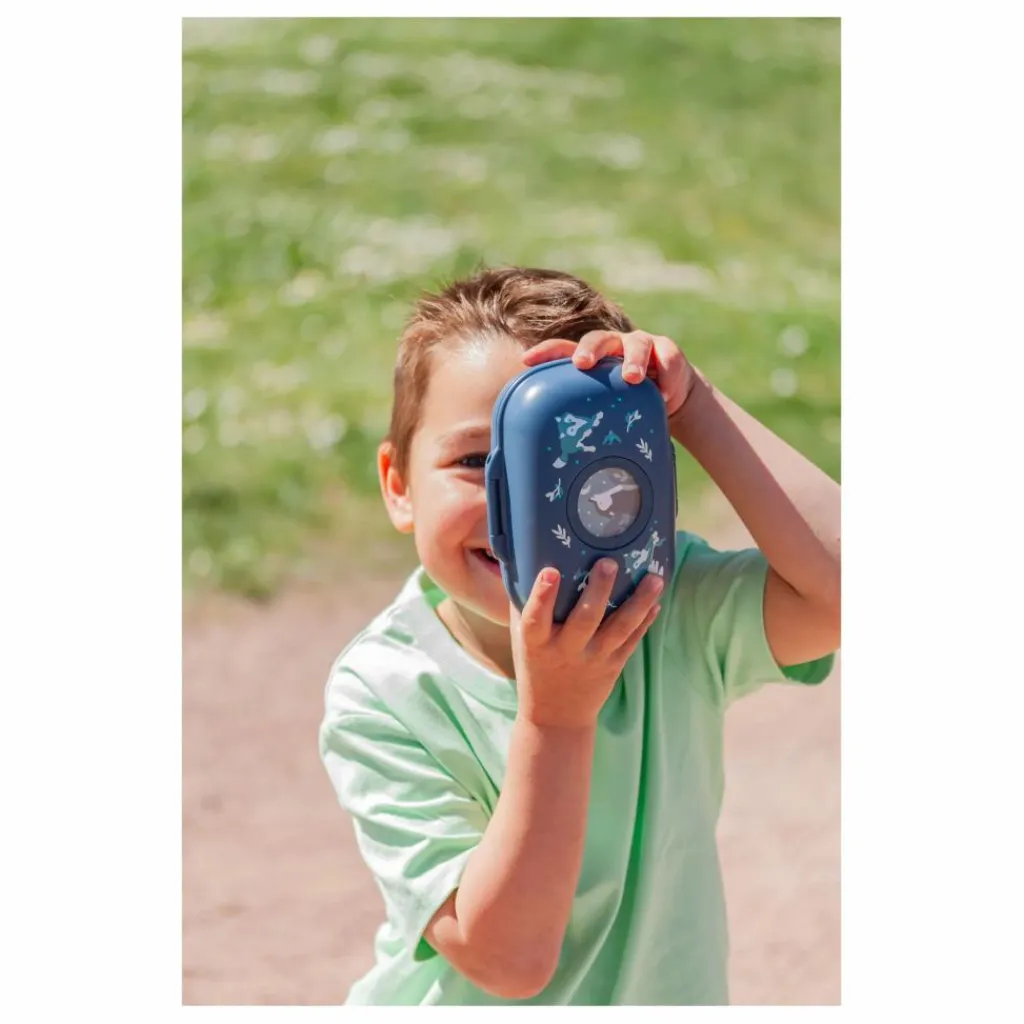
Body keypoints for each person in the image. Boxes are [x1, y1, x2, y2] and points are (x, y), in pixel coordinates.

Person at [318, 266, 840, 1005]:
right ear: (398, 483)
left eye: (569, 465)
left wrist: (695, 409)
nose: (520, 506)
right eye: (473, 463)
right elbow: (509, 960)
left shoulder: (667, 607)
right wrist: (553, 719)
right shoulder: (386, 693)